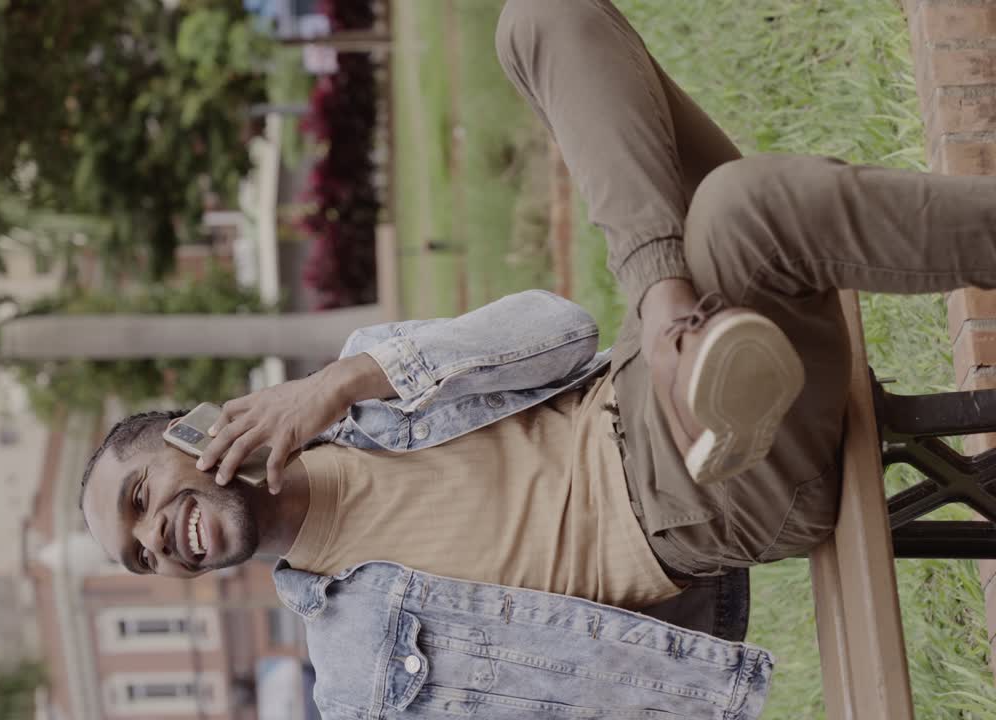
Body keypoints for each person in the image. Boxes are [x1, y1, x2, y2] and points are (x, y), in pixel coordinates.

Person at [79, 1, 996, 717]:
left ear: (191, 435)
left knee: (539, 20)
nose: (155, 536)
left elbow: (560, 330)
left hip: (643, 376)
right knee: (738, 213)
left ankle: (678, 323)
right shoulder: (355, 678)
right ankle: (686, 333)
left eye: (139, 496)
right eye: (140, 557)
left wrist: (350, 380)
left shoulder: (362, 390)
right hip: (701, 499)